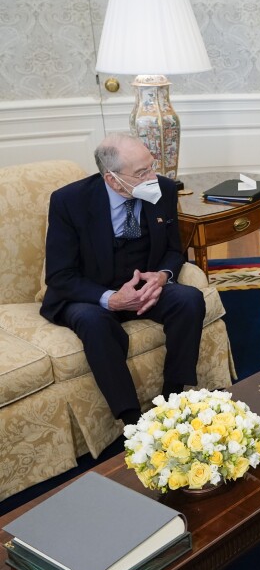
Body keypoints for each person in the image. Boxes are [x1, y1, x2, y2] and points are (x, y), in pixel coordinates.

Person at [40, 133, 205, 425]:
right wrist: (111, 299)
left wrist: (162, 276)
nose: (152, 177)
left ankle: (172, 400)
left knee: (189, 299)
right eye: (142, 173)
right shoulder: (69, 201)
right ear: (113, 179)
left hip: (143, 286)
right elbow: (59, 275)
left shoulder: (163, 190)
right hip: (91, 293)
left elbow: (172, 249)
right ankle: (132, 420)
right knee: (93, 322)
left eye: (151, 167)